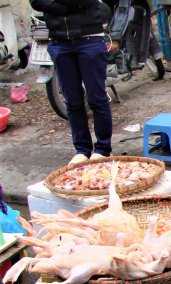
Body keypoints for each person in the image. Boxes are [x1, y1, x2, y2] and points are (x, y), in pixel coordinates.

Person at [30, 0, 113, 165]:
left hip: (89, 38)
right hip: (59, 41)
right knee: (73, 101)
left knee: (97, 98)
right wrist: (75, 4)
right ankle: (82, 149)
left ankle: (103, 150)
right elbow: (37, 2)